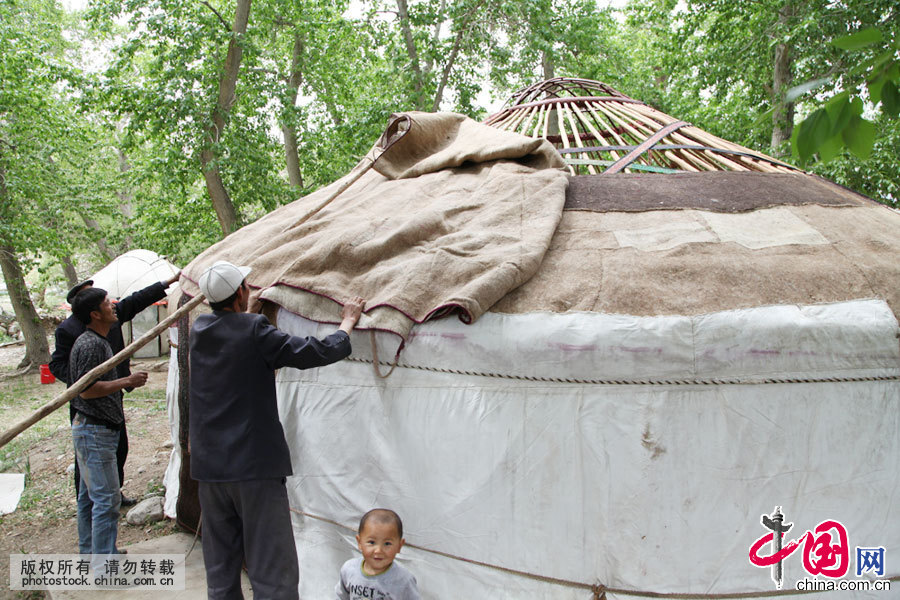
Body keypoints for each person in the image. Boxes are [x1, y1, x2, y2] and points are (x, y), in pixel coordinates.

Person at [189, 260, 365, 600]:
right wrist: (347, 322)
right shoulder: (255, 330)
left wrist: (247, 315)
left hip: (210, 470)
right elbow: (314, 351)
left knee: (220, 569)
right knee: (272, 569)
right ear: (241, 292)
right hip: (253, 467)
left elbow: (234, 339)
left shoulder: (199, 332)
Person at [50, 272, 180, 505]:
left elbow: (135, 301)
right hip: (86, 403)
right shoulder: (69, 331)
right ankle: (90, 500)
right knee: (88, 455)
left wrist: (167, 283)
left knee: (119, 446)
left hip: (112, 394)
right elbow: (57, 365)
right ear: (88, 309)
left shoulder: (110, 316)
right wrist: (84, 381)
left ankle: (113, 492)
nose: (109, 304)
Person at [69, 287, 149, 558]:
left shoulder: (96, 340)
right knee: (106, 500)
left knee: (88, 499)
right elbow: (86, 389)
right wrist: (127, 381)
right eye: (106, 303)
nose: (113, 305)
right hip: (95, 430)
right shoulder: (91, 344)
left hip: (92, 429)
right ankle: (104, 565)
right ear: (94, 314)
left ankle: (93, 554)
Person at [335, 508, 421, 600]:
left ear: (399, 546)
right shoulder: (349, 569)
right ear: (359, 542)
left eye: (387, 544)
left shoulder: (404, 580)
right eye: (371, 542)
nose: (378, 550)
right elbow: (341, 596)